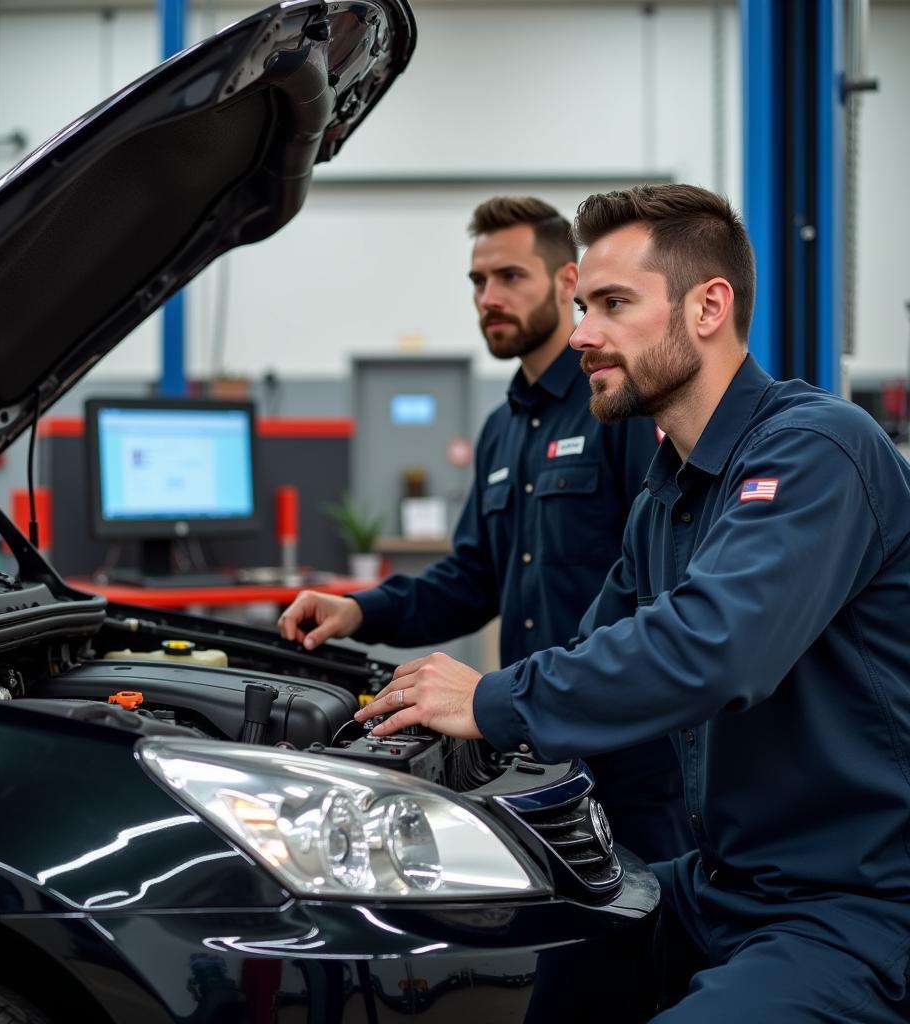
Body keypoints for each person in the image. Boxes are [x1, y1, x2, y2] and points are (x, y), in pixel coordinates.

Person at [353, 183, 910, 1022]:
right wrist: (432, 736)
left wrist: (494, 698)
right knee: (499, 971)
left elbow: (717, 647)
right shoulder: (665, 499)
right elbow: (591, 646)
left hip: (851, 906)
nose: (581, 335)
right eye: (582, 306)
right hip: (723, 887)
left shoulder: (818, 449)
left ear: (708, 306)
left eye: (613, 304)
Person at [279, 196, 690, 863]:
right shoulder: (504, 431)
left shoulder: (618, 409)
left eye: (510, 277)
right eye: (478, 281)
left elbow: (655, 583)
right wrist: (357, 610)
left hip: (633, 765)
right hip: (535, 753)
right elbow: (472, 579)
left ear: (566, 284)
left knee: (652, 945)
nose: (489, 297)